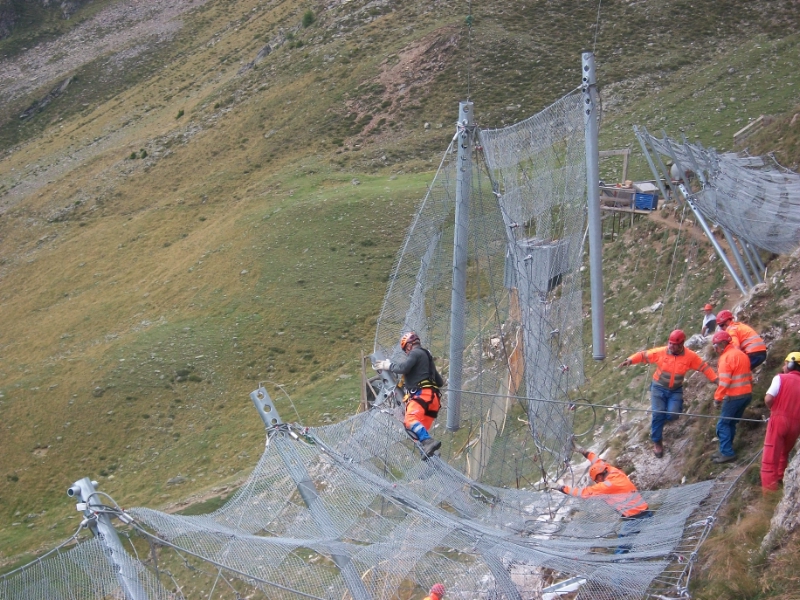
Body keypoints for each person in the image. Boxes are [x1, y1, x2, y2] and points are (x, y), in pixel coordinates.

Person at [619, 329, 718, 458]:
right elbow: (644, 355)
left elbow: (704, 367)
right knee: (658, 413)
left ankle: (663, 418)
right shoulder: (661, 352)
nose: (671, 346)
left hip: (675, 390)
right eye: (670, 343)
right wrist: (630, 360)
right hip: (658, 388)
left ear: (681, 344)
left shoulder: (690, 357)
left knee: (673, 415)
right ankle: (657, 442)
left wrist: (715, 379)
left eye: (674, 344)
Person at [556, 447, 651, 553]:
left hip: (634, 518)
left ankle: (621, 560)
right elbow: (596, 460)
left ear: (600, 477)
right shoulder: (612, 471)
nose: (597, 482)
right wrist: (582, 451)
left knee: (623, 545)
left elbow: (583, 493)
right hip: (645, 510)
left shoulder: (606, 486)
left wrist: (561, 488)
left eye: (596, 480)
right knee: (640, 537)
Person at [374, 332, 444, 457]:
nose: (407, 353)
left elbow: (404, 368)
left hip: (422, 396)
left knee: (410, 420)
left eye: (405, 350)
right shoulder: (427, 357)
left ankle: (429, 443)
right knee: (417, 432)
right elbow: (440, 382)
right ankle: (433, 457)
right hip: (433, 401)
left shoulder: (415, 353)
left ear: (409, 345)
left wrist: (388, 365)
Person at [710, 330, 753, 464]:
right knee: (731, 423)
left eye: (716, 345)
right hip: (746, 395)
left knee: (723, 425)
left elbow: (724, 382)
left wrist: (717, 398)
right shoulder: (741, 354)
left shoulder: (726, 358)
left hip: (734, 396)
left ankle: (727, 453)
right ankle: (725, 449)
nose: (715, 349)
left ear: (723, 344)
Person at [761, 352, 800, 489]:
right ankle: (780, 480)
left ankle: (769, 493)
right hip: (796, 424)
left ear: (791, 365)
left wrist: (774, 409)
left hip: (778, 419)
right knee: (784, 454)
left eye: (785, 364)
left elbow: (768, 398)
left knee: (769, 460)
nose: (783, 367)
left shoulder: (780, 378)